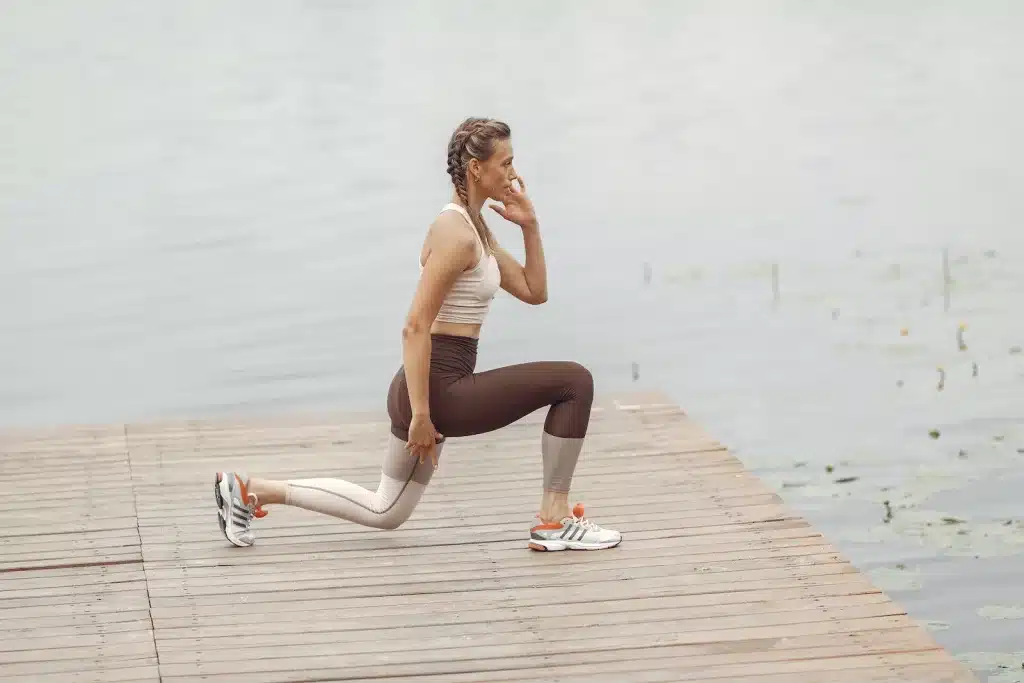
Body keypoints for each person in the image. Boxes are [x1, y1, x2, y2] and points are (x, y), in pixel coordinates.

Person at [214, 117, 621, 552]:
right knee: (574, 382)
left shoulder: (476, 230)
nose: (514, 174)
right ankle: (555, 520)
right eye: (506, 163)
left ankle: (249, 489)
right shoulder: (455, 233)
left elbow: (533, 291)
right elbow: (414, 326)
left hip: (430, 386)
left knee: (385, 511)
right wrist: (424, 416)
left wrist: (531, 226)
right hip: (436, 388)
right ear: (476, 169)